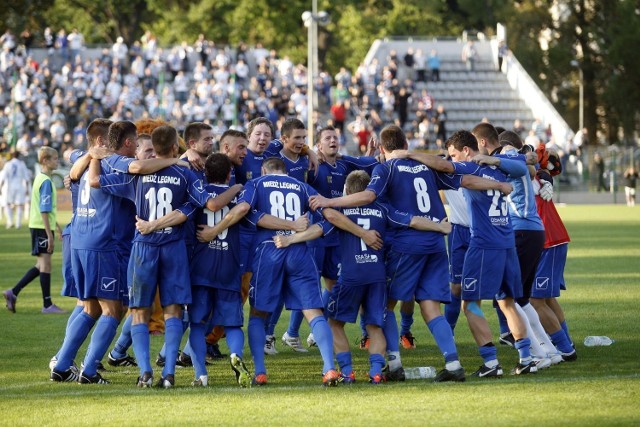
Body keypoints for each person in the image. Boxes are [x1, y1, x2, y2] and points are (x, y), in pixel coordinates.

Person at [310, 125, 508, 382]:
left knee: (385, 304)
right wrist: (499, 185)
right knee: (429, 306)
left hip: (407, 244)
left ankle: (393, 364)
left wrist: (330, 201)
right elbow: (465, 180)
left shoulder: (386, 168)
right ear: (404, 143)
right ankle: (453, 363)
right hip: (437, 244)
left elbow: (368, 195)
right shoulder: (427, 166)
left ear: (382, 149)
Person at [88, 125, 231, 388]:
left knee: (139, 311)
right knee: (173, 310)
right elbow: (203, 204)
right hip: (175, 248)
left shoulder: (138, 175)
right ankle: (168, 372)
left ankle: (145, 371)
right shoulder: (185, 174)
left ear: (154, 145)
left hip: (143, 247)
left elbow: (95, 181)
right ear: (176, 148)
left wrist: (95, 157)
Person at [402, 130, 538, 376]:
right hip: (507, 242)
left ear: (466, 150)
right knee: (507, 303)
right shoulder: (499, 167)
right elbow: (530, 160)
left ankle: (491, 363)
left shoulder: (471, 168)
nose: (452, 160)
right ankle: (526, 359)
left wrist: (410, 153)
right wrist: (498, 161)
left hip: (484, 245)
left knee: (470, 305)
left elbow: (442, 165)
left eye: (454, 155)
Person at [203, 157, 340, 386]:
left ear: (264, 170)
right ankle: (329, 368)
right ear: (286, 172)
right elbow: (329, 219)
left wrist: (215, 230)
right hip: (299, 251)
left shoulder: (256, 183)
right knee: (313, 313)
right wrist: (296, 233)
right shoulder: (303, 187)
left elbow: (246, 209)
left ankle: (260, 372)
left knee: (258, 314)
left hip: (269, 249)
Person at [4, 147, 64, 314]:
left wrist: (57, 228)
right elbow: (44, 211)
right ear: (45, 161)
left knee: (41, 265)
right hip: (40, 228)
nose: (57, 161)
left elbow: (47, 210)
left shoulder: (41, 178)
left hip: (40, 226)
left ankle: (13, 292)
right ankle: (47, 305)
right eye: (54, 158)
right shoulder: (45, 182)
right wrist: (49, 235)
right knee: (46, 265)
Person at [0, 151, 30, 229]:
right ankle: (18, 224)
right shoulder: (21, 164)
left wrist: (0, 187)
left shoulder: (8, 164)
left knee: (7, 204)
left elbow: (3, 177)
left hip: (10, 187)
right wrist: (26, 188)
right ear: (19, 156)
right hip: (19, 186)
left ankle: (10, 222)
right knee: (19, 205)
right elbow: (26, 178)